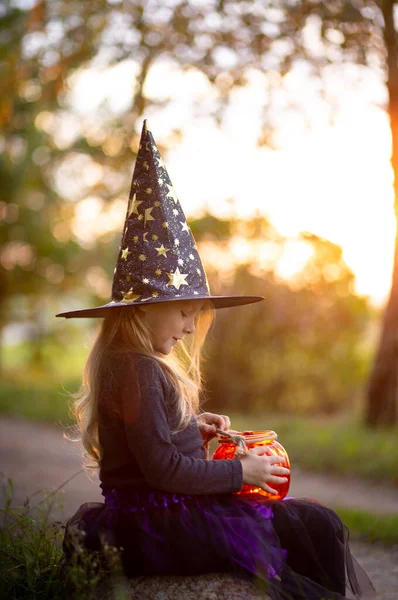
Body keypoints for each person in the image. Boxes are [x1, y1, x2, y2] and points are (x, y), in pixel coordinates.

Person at [57, 121, 374, 599]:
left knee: (313, 522)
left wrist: (191, 428)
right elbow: (162, 470)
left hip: (162, 514)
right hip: (159, 523)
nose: (188, 328)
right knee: (315, 525)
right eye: (184, 313)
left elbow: (154, 442)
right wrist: (240, 472)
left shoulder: (131, 363)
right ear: (144, 310)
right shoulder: (138, 366)